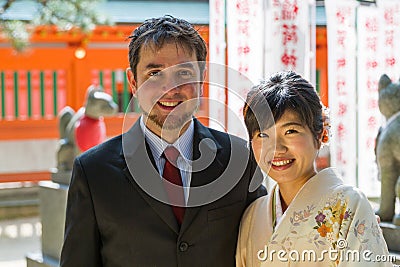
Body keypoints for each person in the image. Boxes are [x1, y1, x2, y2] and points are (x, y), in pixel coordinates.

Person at [60, 15, 266, 267]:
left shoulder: (241, 159)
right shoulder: (93, 172)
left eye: (184, 72)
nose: (171, 88)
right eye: (155, 73)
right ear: (133, 82)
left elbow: (264, 245)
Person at [236, 70, 392, 266]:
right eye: (263, 135)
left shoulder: (349, 205)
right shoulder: (252, 216)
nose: (277, 148)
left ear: (320, 135)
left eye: (291, 131)